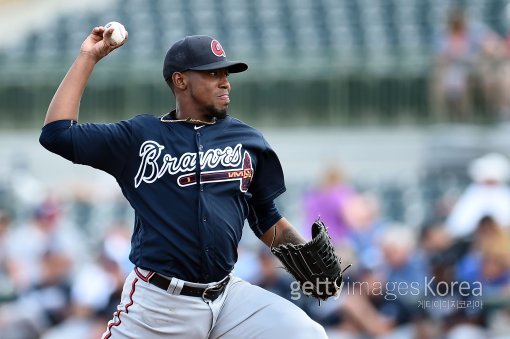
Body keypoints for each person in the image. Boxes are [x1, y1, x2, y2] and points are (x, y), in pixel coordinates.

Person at [39, 25, 328, 338]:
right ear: (180, 80)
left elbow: (265, 217)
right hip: (161, 304)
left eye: (226, 74)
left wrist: (307, 260)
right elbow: (57, 134)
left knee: (307, 333)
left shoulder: (248, 140)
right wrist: (87, 58)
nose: (225, 82)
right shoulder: (140, 137)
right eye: (213, 74)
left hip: (228, 296)